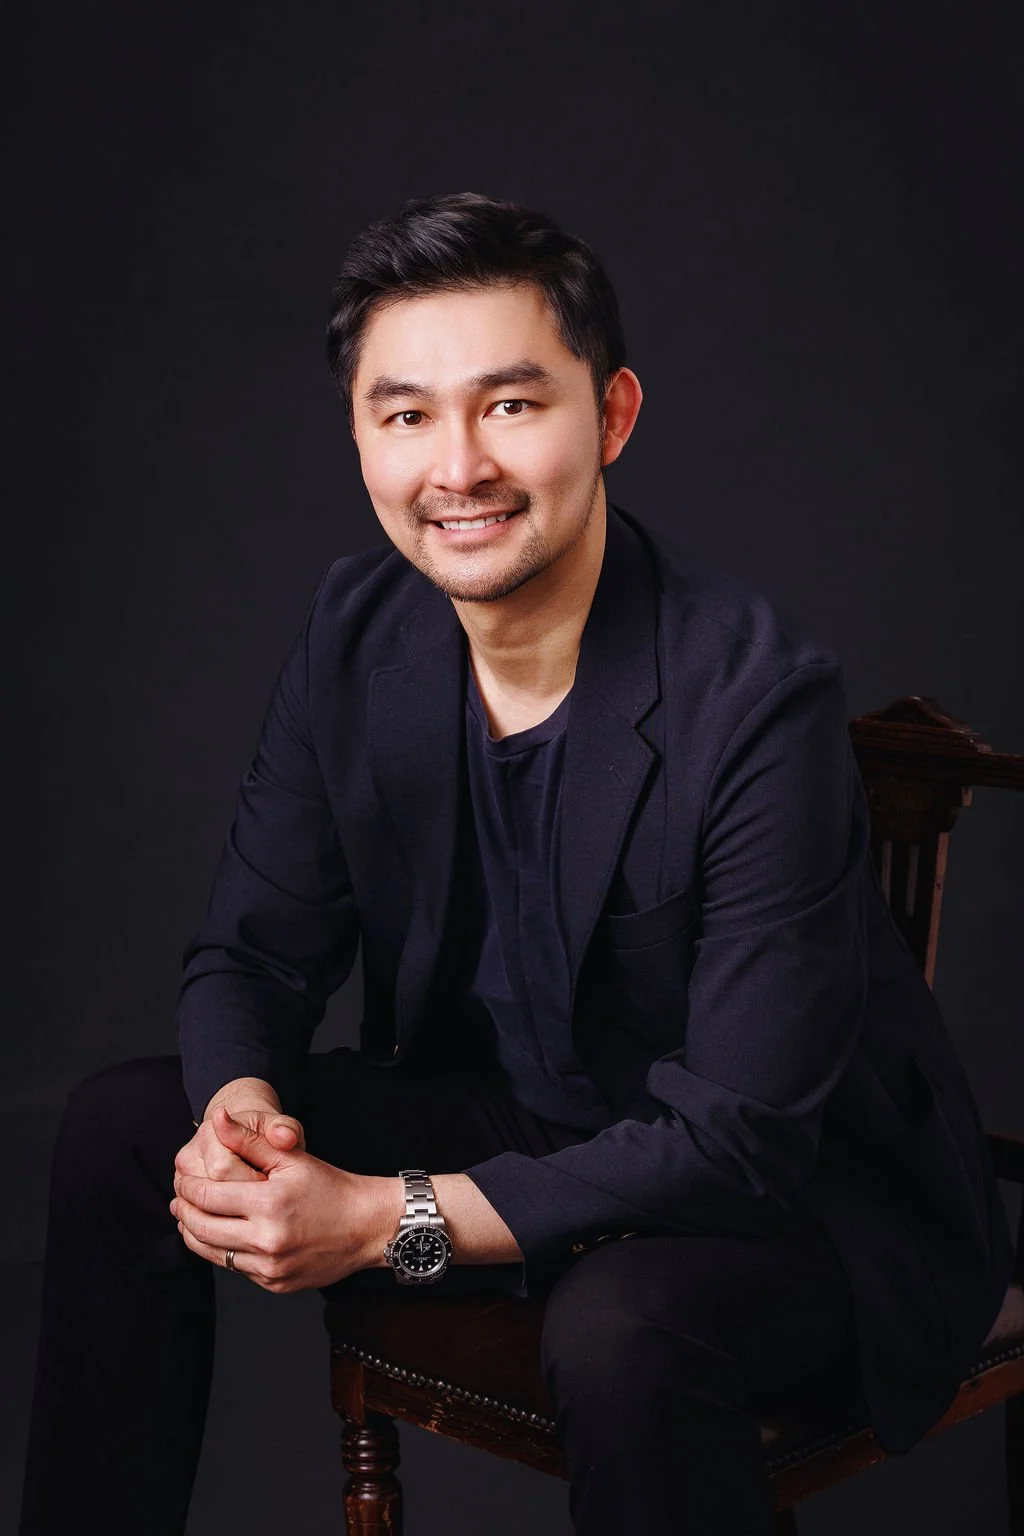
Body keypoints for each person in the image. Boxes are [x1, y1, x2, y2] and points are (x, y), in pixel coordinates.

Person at [20, 191, 1013, 1536]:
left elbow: (737, 1138)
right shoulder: (355, 625)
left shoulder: (755, 698)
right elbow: (255, 948)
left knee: (619, 1324)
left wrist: (385, 1221)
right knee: (126, 1129)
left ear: (609, 417)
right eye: (405, 412)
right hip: (515, 1124)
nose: (457, 467)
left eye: (509, 404)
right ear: (363, 434)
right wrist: (239, 1118)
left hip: (791, 1199)